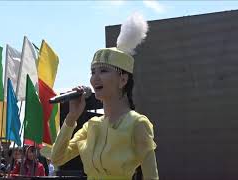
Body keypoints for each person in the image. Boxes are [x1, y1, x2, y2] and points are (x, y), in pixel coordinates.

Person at [51, 13, 159, 180]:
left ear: (122, 79)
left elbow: (151, 177)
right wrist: (72, 117)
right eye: (93, 72)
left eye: (103, 71)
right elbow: (57, 158)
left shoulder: (137, 124)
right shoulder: (91, 126)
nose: (95, 78)